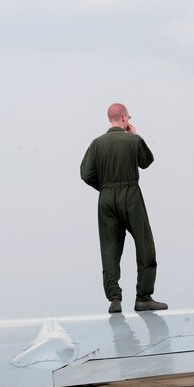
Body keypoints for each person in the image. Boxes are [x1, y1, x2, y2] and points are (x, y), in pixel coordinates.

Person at [80, 103, 168, 314]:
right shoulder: (132, 140)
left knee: (110, 248)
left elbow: (85, 174)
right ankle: (143, 297)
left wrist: (104, 187)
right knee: (145, 243)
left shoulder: (96, 143)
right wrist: (135, 135)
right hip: (130, 194)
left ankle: (114, 299)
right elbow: (147, 161)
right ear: (125, 118)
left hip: (106, 196)